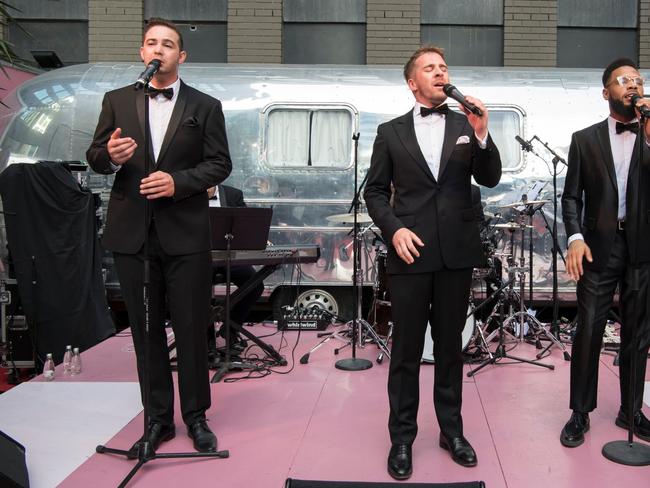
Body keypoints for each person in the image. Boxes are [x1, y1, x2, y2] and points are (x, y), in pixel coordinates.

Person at [86, 18, 232, 455]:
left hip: (186, 234)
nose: (159, 49)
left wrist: (179, 182)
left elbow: (220, 164)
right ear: (142, 51)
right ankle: (157, 421)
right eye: (152, 42)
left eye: (168, 44)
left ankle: (196, 418)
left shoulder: (205, 106)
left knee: (191, 329)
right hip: (134, 235)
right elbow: (94, 156)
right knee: (146, 333)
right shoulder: (117, 100)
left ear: (181, 56)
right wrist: (108, 156)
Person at [364, 46, 501, 479]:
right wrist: (394, 228)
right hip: (409, 252)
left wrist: (482, 135)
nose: (440, 72)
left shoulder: (466, 123)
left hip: (455, 254)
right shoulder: (390, 132)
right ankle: (402, 438)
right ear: (412, 82)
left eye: (444, 67)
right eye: (430, 68)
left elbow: (490, 177)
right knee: (405, 350)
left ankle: (451, 431)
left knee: (449, 349)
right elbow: (373, 192)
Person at [561, 57, 650, 448]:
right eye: (623, 80)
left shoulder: (649, 133)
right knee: (589, 330)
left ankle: (631, 410)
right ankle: (580, 411)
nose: (632, 85)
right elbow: (570, 198)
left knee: (639, 333)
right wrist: (575, 237)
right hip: (598, 248)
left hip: (643, 248)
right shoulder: (585, 139)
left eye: (638, 80)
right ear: (606, 92)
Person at [207, 184, 264, 356]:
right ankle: (206, 339)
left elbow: (245, 225)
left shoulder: (233, 194)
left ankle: (230, 327)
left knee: (255, 284)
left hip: (228, 256)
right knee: (198, 289)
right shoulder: (188, 194)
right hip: (200, 258)